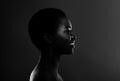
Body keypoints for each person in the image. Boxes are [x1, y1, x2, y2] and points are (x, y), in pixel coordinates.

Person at [28, 8, 76, 81]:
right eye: (67, 31)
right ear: (48, 38)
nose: (73, 37)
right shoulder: (45, 77)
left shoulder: (49, 73)